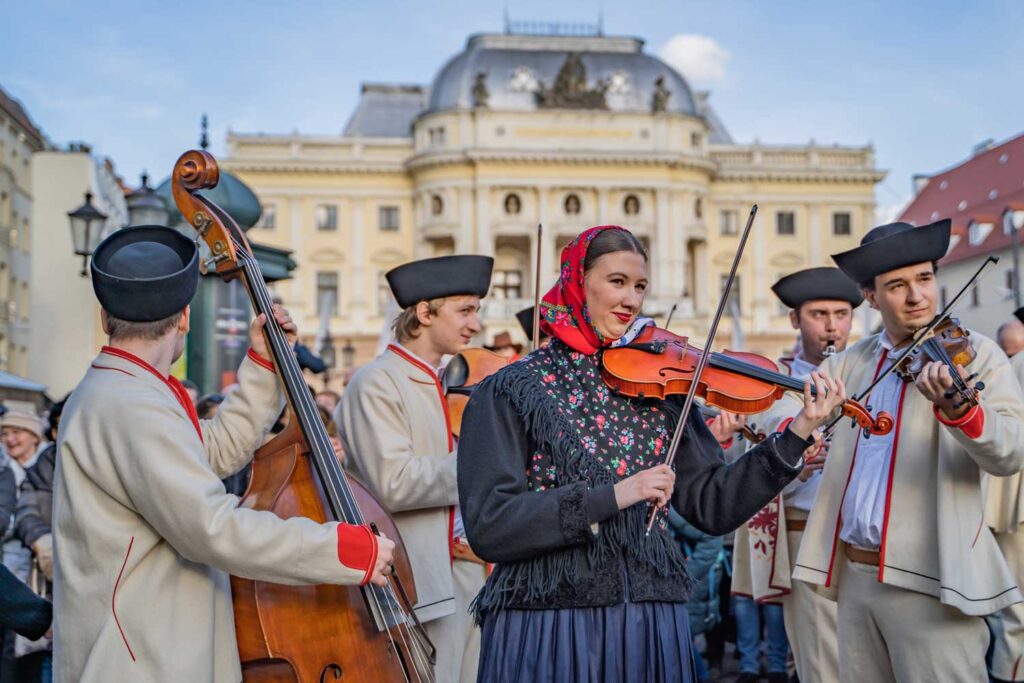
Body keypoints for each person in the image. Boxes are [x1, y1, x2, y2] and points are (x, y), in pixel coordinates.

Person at [457, 225, 844, 682]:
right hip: (549, 620)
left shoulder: (660, 389)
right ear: (577, 282)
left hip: (647, 616)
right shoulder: (509, 388)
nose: (632, 300)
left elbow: (713, 504)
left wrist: (796, 434)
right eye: (616, 282)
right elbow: (490, 525)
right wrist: (614, 495)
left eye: (639, 286)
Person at [52, 225, 394, 683]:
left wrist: (262, 366)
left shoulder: (124, 391)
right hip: (143, 658)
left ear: (104, 317)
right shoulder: (129, 402)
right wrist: (342, 547)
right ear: (185, 318)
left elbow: (208, 453)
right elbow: (211, 528)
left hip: (152, 648)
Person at [790, 218, 1024, 682]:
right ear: (872, 298)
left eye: (924, 279)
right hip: (854, 578)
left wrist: (962, 412)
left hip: (933, 580)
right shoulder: (849, 363)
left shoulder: (977, 355)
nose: (917, 295)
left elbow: (1010, 452)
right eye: (897, 286)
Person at [337, 254, 494, 683]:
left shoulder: (442, 380)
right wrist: (488, 460)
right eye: (465, 310)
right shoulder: (376, 382)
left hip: (467, 575)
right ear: (424, 312)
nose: (476, 325)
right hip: (418, 587)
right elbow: (395, 484)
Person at [730, 267, 862, 683]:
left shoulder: (868, 376)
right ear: (794, 320)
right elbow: (756, 458)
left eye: (841, 314)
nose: (831, 326)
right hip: (806, 537)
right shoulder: (776, 385)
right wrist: (797, 459)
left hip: (866, 538)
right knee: (822, 663)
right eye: (818, 314)